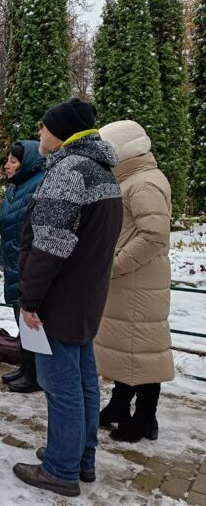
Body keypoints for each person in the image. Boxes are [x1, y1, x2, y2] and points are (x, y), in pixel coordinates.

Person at [12, 98, 122, 498]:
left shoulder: (69, 172)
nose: (38, 133)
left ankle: (60, 468)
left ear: (62, 133)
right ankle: (81, 458)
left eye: (43, 126)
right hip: (87, 297)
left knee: (62, 387)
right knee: (83, 381)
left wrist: (30, 299)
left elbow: (49, 245)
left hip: (59, 300)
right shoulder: (102, 171)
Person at [95, 120, 174, 443]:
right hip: (131, 282)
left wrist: (115, 265)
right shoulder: (132, 180)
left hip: (138, 282)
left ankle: (144, 418)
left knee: (141, 352)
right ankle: (119, 404)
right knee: (128, 349)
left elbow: (154, 235)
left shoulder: (143, 183)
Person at [0, 140, 45, 393]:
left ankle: (36, 374)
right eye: (8, 160)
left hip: (28, 263)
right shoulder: (15, 188)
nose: (7, 165)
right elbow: (7, 230)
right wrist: (2, 259)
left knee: (31, 318)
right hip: (14, 260)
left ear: (27, 164)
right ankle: (26, 367)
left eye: (13, 161)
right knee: (19, 316)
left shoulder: (38, 185)